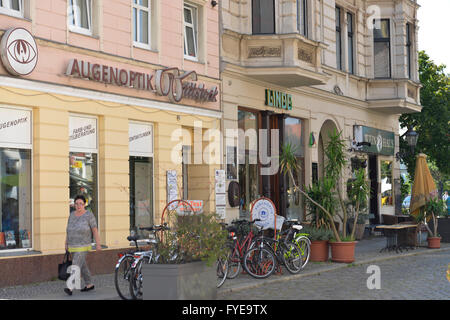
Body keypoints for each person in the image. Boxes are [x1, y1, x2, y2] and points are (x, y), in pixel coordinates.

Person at [64, 195, 101, 295]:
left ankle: (70, 287)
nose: (78, 205)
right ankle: (89, 284)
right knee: (82, 265)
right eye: (76, 204)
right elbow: (68, 230)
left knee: (76, 263)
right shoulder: (71, 215)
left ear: (84, 204)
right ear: (74, 205)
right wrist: (66, 242)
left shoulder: (89, 215)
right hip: (73, 245)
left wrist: (98, 243)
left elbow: (94, 229)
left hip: (84, 245)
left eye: (81, 203)